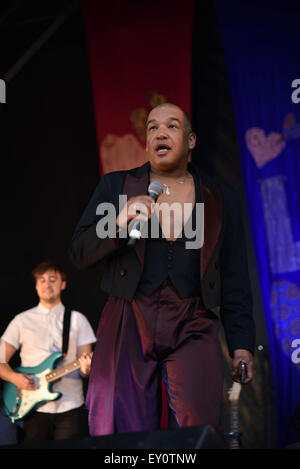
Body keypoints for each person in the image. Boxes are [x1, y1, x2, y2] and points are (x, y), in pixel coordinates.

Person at [69, 103, 256, 437]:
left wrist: (241, 342)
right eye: (153, 128)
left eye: (171, 126)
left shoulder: (219, 198)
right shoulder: (117, 187)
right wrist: (117, 221)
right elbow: (79, 252)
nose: (160, 133)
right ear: (146, 143)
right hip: (128, 318)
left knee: (199, 423)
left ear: (191, 140)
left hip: (192, 320)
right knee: (119, 426)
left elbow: (234, 275)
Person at [0, 260, 96, 442]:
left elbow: (87, 368)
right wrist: (15, 378)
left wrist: (86, 368)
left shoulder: (78, 320)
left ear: (63, 284)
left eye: (52, 279)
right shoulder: (21, 321)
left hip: (71, 405)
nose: (47, 284)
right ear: (36, 286)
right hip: (32, 407)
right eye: (42, 280)